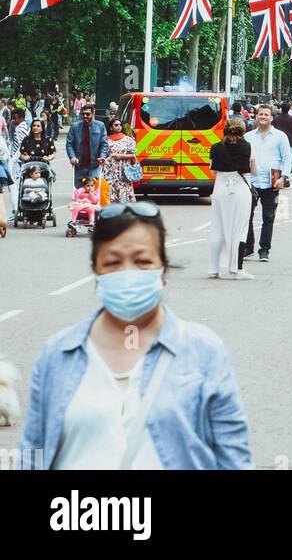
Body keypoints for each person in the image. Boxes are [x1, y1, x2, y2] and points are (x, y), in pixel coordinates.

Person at [21, 202, 252, 468]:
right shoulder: (57, 354)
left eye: (142, 261)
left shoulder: (204, 352)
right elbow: (33, 452)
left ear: (163, 269)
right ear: (95, 269)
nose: (128, 273)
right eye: (113, 262)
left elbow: (234, 459)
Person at [243, 104, 292, 264]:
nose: (263, 117)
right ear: (256, 116)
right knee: (246, 216)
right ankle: (248, 247)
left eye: (266, 115)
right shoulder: (248, 136)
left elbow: (286, 158)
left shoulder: (280, 136)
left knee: (268, 217)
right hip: (251, 182)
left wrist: (283, 177)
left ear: (271, 118)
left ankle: (264, 250)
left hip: (272, 182)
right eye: (260, 114)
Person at [209, 117, 255, 280]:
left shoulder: (215, 147)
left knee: (217, 228)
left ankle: (214, 269)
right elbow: (253, 169)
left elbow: (213, 171)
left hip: (220, 189)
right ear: (243, 131)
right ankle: (237, 269)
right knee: (240, 230)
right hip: (240, 190)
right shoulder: (248, 147)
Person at [65, 104, 108, 190]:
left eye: (88, 114)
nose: (85, 116)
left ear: (93, 114)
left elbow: (104, 144)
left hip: (94, 165)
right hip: (79, 165)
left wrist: (102, 156)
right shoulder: (75, 126)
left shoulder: (100, 126)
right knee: (79, 192)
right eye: (83, 114)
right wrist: (72, 156)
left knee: (94, 191)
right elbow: (69, 144)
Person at [102, 117, 137, 204]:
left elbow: (133, 156)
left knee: (123, 191)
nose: (119, 126)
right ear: (111, 127)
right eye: (116, 125)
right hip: (109, 170)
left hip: (123, 169)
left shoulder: (128, 140)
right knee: (110, 190)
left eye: (120, 125)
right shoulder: (106, 140)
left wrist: (120, 156)